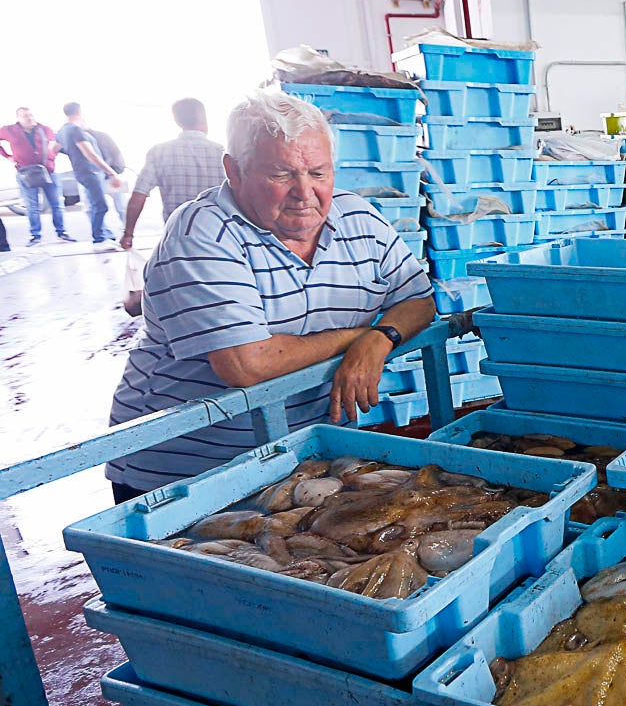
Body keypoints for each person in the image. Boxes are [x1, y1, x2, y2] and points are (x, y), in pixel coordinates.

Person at [104, 90, 435, 502]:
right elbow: (248, 364)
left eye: (319, 172)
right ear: (234, 170)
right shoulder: (203, 234)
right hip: (184, 477)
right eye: (281, 175)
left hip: (302, 456)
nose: (304, 192)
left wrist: (382, 337)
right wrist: (360, 337)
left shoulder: (359, 218)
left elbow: (419, 300)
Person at [120, 97, 226, 249]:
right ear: (203, 118)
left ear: (177, 120)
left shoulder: (159, 152)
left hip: (177, 237)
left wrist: (128, 234)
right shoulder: (223, 153)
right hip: (220, 236)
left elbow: (139, 195)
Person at [0, 107, 73, 245]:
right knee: (32, 206)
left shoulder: (44, 129)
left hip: (48, 171)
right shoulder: (9, 130)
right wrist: (7, 156)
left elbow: (56, 144)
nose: (29, 118)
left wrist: (52, 156)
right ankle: (36, 236)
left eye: (30, 115)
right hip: (25, 172)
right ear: (18, 118)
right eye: (25, 116)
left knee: (57, 204)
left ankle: (62, 232)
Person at [55, 102, 123, 244]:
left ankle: (102, 234)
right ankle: (99, 237)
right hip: (90, 171)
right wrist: (111, 172)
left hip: (82, 171)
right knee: (101, 205)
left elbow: (54, 148)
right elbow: (90, 154)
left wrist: (72, 155)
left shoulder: (62, 131)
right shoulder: (76, 130)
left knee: (94, 204)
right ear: (79, 112)